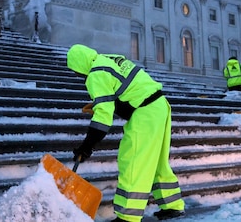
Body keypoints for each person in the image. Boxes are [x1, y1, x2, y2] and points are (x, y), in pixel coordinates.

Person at [67, 44, 186, 222]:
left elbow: (103, 119)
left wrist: (86, 147)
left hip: (145, 112)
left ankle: (128, 216)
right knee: (157, 162)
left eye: (76, 72)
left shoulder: (95, 74)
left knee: (132, 160)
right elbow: (124, 87)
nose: (79, 76)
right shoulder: (108, 58)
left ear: (79, 66)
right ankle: (172, 206)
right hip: (160, 105)